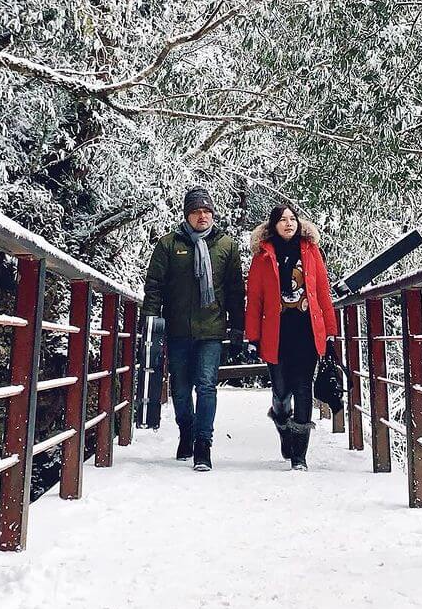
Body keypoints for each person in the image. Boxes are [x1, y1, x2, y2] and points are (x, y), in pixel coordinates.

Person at [142, 187, 245, 471]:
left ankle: (203, 444)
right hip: (177, 328)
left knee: (207, 385)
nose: (203, 216)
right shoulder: (168, 244)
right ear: (187, 215)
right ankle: (186, 430)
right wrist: (150, 321)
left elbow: (236, 291)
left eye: (207, 211)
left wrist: (238, 328)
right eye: (197, 211)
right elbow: (154, 286)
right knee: (180, 388)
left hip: (211, 329)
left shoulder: (226, 245)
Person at [245, 203, 337, 471]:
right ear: (273, 226)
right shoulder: (263, 256)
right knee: (281, 390)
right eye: (282, 220)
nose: (288, 223)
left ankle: (300, 455)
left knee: (303, 388)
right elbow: (255, 299)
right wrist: (252, 337)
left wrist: (330, 331)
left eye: (292, 219)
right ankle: (283, 425)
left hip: (307, 330)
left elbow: (322, 292)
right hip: (276, 332)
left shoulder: (310, 251)